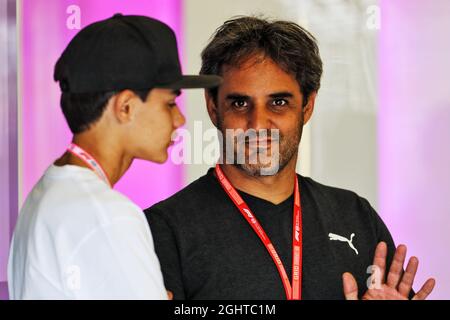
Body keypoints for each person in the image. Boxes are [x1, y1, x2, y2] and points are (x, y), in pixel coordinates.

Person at [145, 16, 435, 300]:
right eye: (240, 103)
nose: (258, 123)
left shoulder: (355, 215)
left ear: (307, 106)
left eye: (278, 102)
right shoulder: (165, 230)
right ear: (213, 107)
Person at [7, 14, 221, 300]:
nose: (180, 119)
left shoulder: (49, 191)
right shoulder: (106, 215)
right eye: (169, 103)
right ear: (126, 107)